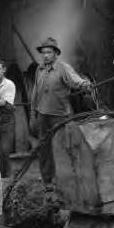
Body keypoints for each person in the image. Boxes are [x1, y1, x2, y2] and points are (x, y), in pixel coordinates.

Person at [29, 37, 92, 185]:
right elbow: (35, 93)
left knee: (64, 146)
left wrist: (85, 84)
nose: (45, 55)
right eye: (43, 52)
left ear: (56, 53)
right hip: (43, 115)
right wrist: (33, 114)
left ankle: (68, 178)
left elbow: (76, 81)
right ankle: (47, 179)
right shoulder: (39, 69)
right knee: (44, 148)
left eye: (49, 52)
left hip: (60, 115)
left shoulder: (63, 68)